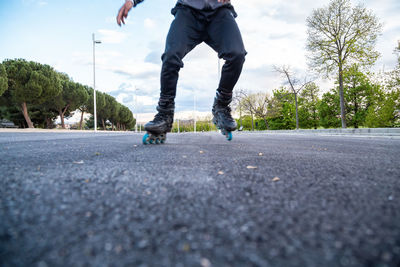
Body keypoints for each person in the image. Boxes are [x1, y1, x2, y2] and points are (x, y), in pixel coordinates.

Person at [117, 0, 246, 142]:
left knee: (237, 54)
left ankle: (221, 105)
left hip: (220, 13)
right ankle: (165, 113)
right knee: (171, 55)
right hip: (188, 12)